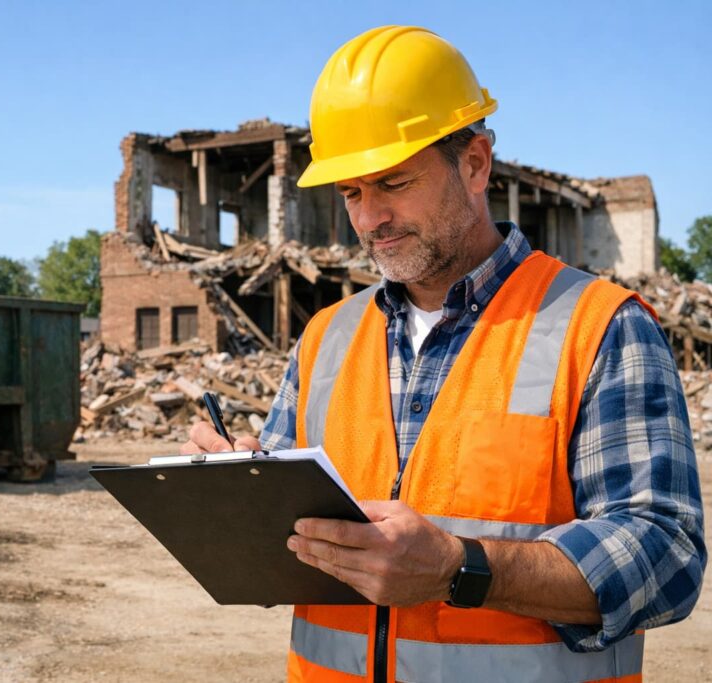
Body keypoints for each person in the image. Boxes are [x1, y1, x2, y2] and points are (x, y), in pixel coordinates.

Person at [181, 25, 705, 683]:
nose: (371, 217)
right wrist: (241, 498)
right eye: (351, 193)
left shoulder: (597, 328)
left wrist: (462, 568)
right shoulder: (324, 339)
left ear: (476, 163)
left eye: (393, 183)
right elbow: (288, 550)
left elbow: (665, 555)